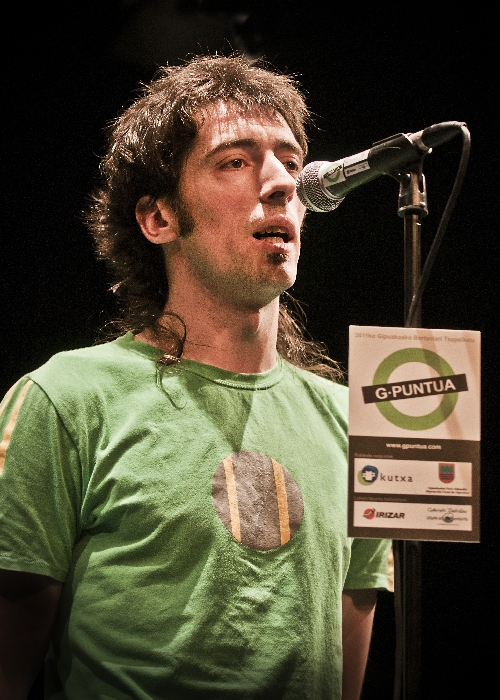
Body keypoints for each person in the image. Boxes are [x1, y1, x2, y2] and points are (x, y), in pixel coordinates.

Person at [0, 55, 391, 700]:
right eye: (235, 161)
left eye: (290, 161)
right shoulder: (66, 398)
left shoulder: (357, 422)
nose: (282, 183)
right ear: (158, 218)